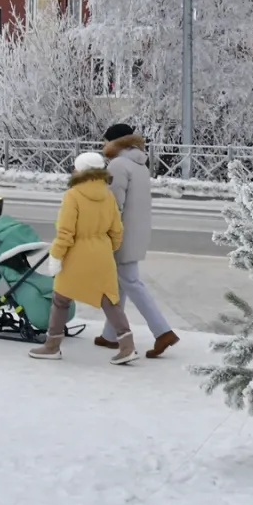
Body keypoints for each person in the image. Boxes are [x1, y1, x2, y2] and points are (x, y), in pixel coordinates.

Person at [30, 152, 139, 364]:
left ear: (81, 170)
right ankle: (127, 346)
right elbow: (117, 231)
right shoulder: (108, 195)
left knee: (61, 299)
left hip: (76, 255)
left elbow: (65, 232)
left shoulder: (73, 195)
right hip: (102, 253)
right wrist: (106, 248)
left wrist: (56, 256)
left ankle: (52, 346)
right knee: (110, 300)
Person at [93, 122, 181, 358]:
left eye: (105, 140)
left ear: (114, 141)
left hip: (122, 233)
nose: (103, 144)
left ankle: (163, 332)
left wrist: (103, 230)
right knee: (120, 283)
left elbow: (113, 204)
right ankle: (111, 334)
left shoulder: (118, 165)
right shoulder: (139, 164)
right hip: (137, 231)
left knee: (130, 282)